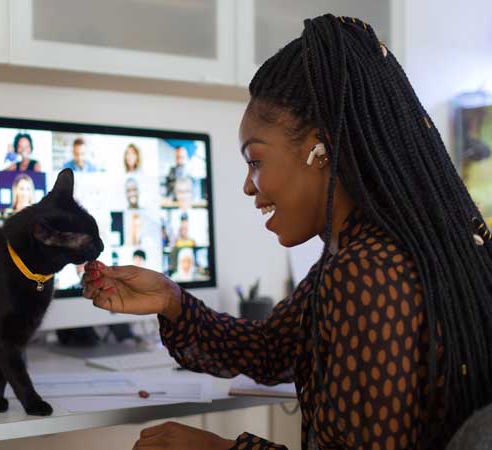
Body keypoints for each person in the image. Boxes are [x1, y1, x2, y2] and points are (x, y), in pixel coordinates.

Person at [82, 15, 492, 450]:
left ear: (321, 150)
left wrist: (218, 449)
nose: (246, 185)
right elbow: (271, 349)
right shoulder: (366, 253)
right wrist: (172, 301)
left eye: (255, 161)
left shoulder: (368, 271)